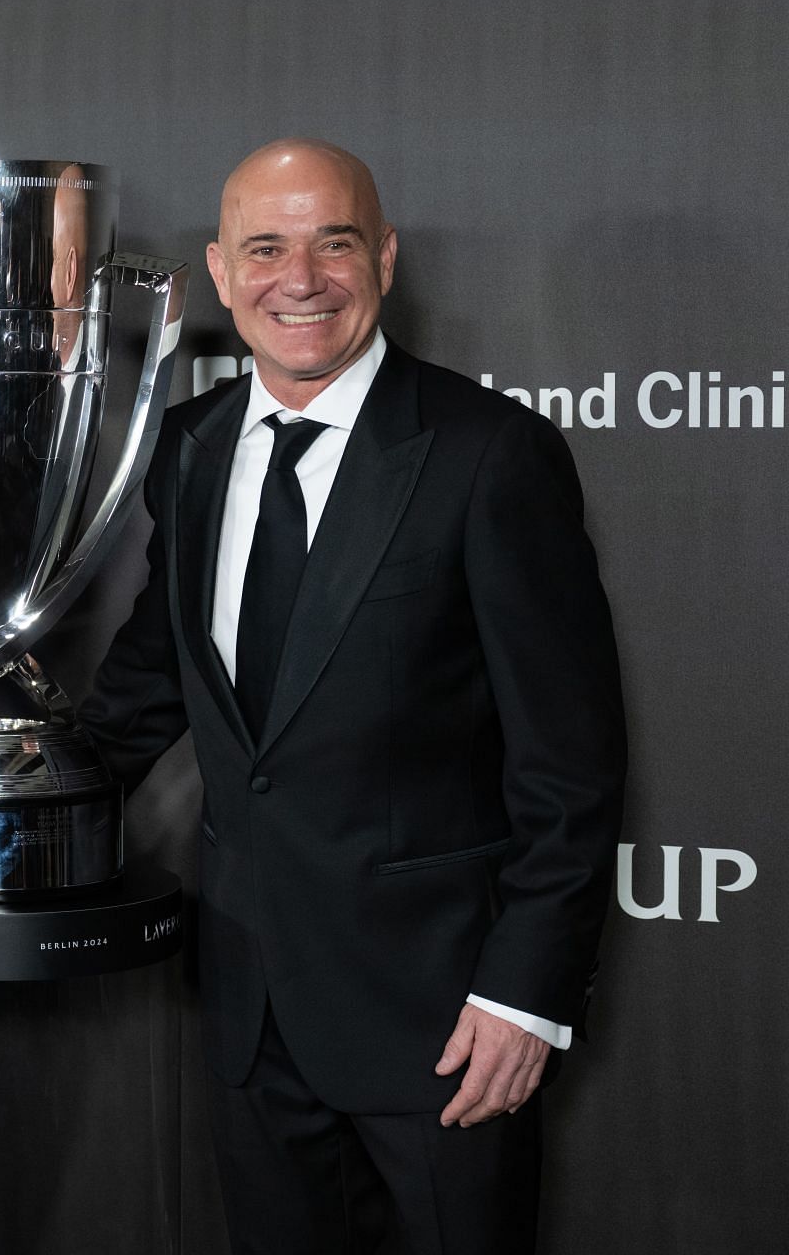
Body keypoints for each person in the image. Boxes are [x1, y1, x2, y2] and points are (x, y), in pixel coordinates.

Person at [83, 139, 626, 1254]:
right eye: (267, 248)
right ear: (221, 273)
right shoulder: (190, 449)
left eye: (334, 242)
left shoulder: (489, 456)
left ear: (382, 255)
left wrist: (523, 997)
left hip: (442, 1027)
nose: (302, 277)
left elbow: (568, 763)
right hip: (249, 1011)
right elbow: (145, 690)